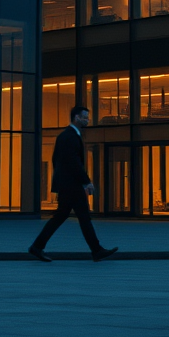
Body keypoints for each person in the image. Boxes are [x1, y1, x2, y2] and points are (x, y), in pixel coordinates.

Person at [28, 105, 118, 262]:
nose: (87, 120)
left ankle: (37, 246)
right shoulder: (70, 136)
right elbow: (74, 162)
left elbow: (57, 160)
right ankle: (96, 250)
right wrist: (86, 181)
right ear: (77, 117)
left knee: (61, 216)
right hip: (72, 185)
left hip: (67, 185)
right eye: (85, 117)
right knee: (83, 217)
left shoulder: (66, 135)